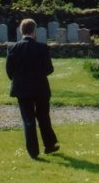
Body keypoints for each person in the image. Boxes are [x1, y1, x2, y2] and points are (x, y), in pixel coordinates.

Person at [5, 18, 59, 159]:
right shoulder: (42, 48)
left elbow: (10, 70)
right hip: (40, 86)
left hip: (22, 88)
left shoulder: (13, 48)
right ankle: (49, 145)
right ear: (34, 31)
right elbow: (49, 69)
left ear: (20, 31)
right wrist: (38, 75)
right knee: (43, 117)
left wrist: (19, 80)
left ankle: (33, 151)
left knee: (28, 120)